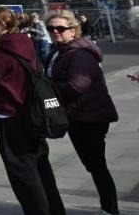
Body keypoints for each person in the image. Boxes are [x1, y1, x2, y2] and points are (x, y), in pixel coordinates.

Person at [0, 6, 64, 215]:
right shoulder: (25, 42)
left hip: (10, 116)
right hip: (33, 113)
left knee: (23, 175)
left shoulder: (0, 53)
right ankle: (55, 210)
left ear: (1, 25)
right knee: (41, 168)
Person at [46, 11, 118, 215]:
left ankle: (110, 208)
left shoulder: (79, 53)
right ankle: (109, 206)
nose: (55, 32)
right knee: (93, 164)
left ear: (73, 29)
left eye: (60, 28)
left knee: (96, 165)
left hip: (89, 115)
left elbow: (77, 85)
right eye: (51, 28)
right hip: (76, 115)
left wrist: (48, 87)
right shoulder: (60, 50)